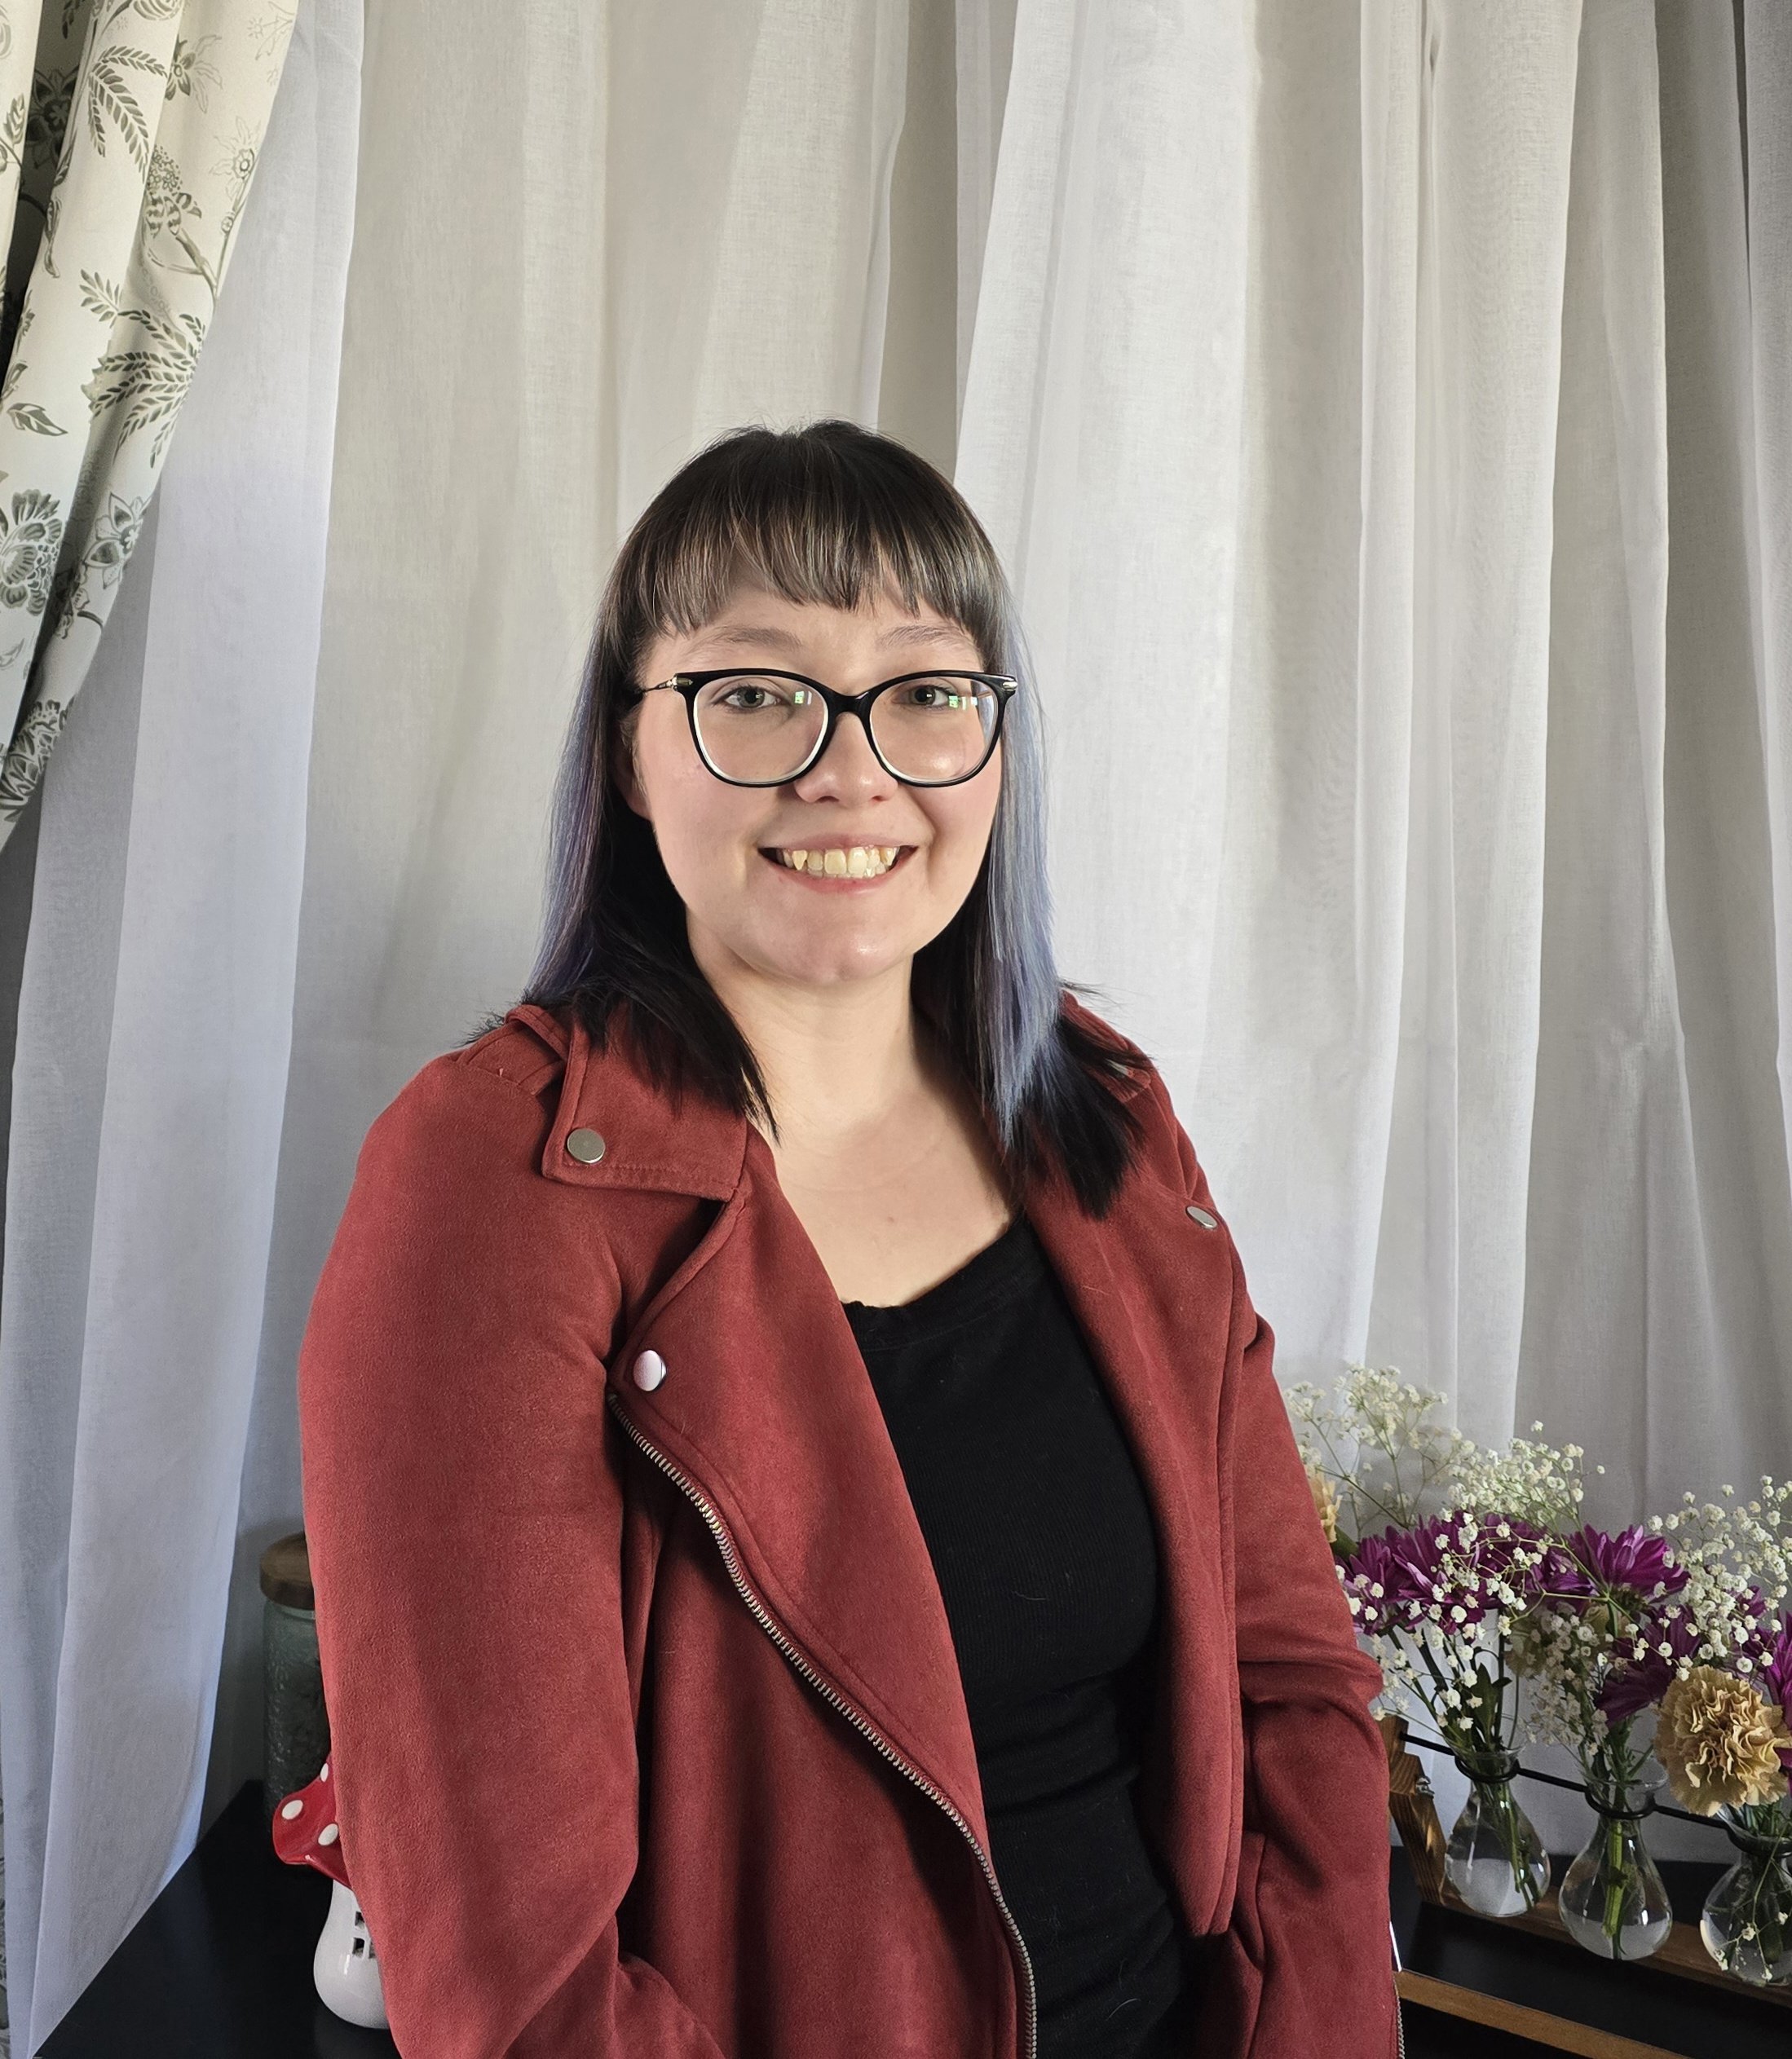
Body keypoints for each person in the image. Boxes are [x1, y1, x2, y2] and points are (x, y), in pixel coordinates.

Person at [298, 419, 1399, 2058]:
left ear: (996, 744)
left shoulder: (1103, 1119)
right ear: (628, 751)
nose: (850, 769)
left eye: (925, 690)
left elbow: (1293, 1684)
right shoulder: (490, 1183)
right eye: (755, 692)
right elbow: (521, 1985)